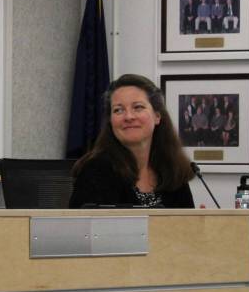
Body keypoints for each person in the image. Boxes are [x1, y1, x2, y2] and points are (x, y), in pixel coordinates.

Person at [69, 74, 195, 208]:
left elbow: (188, 225)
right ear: (110, 121)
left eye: (138, 107)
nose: (128, 117)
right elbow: (84, 227)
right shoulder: (95, 171)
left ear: (157, 116)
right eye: (118, 110)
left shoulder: (172, 169)